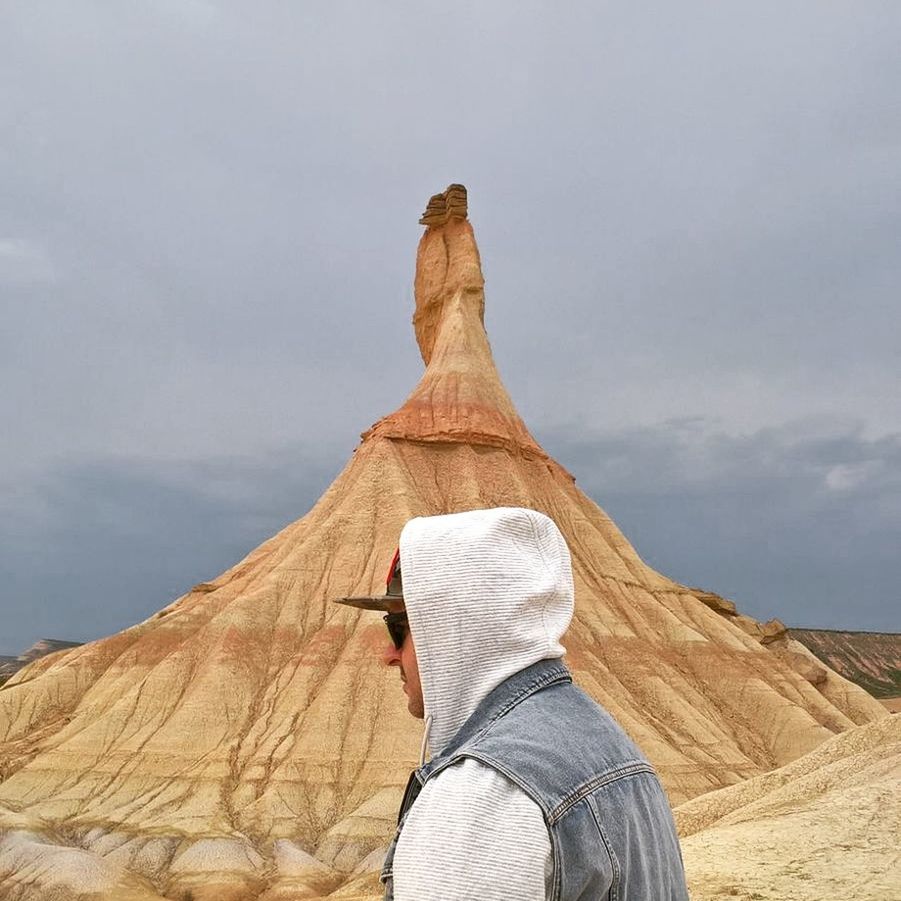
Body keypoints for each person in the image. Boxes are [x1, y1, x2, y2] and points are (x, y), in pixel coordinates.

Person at [336, 506, 688, 900]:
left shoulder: (477, 800)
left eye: (399, 628)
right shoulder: (612, 746)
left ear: (455, 626)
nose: (388, 654)